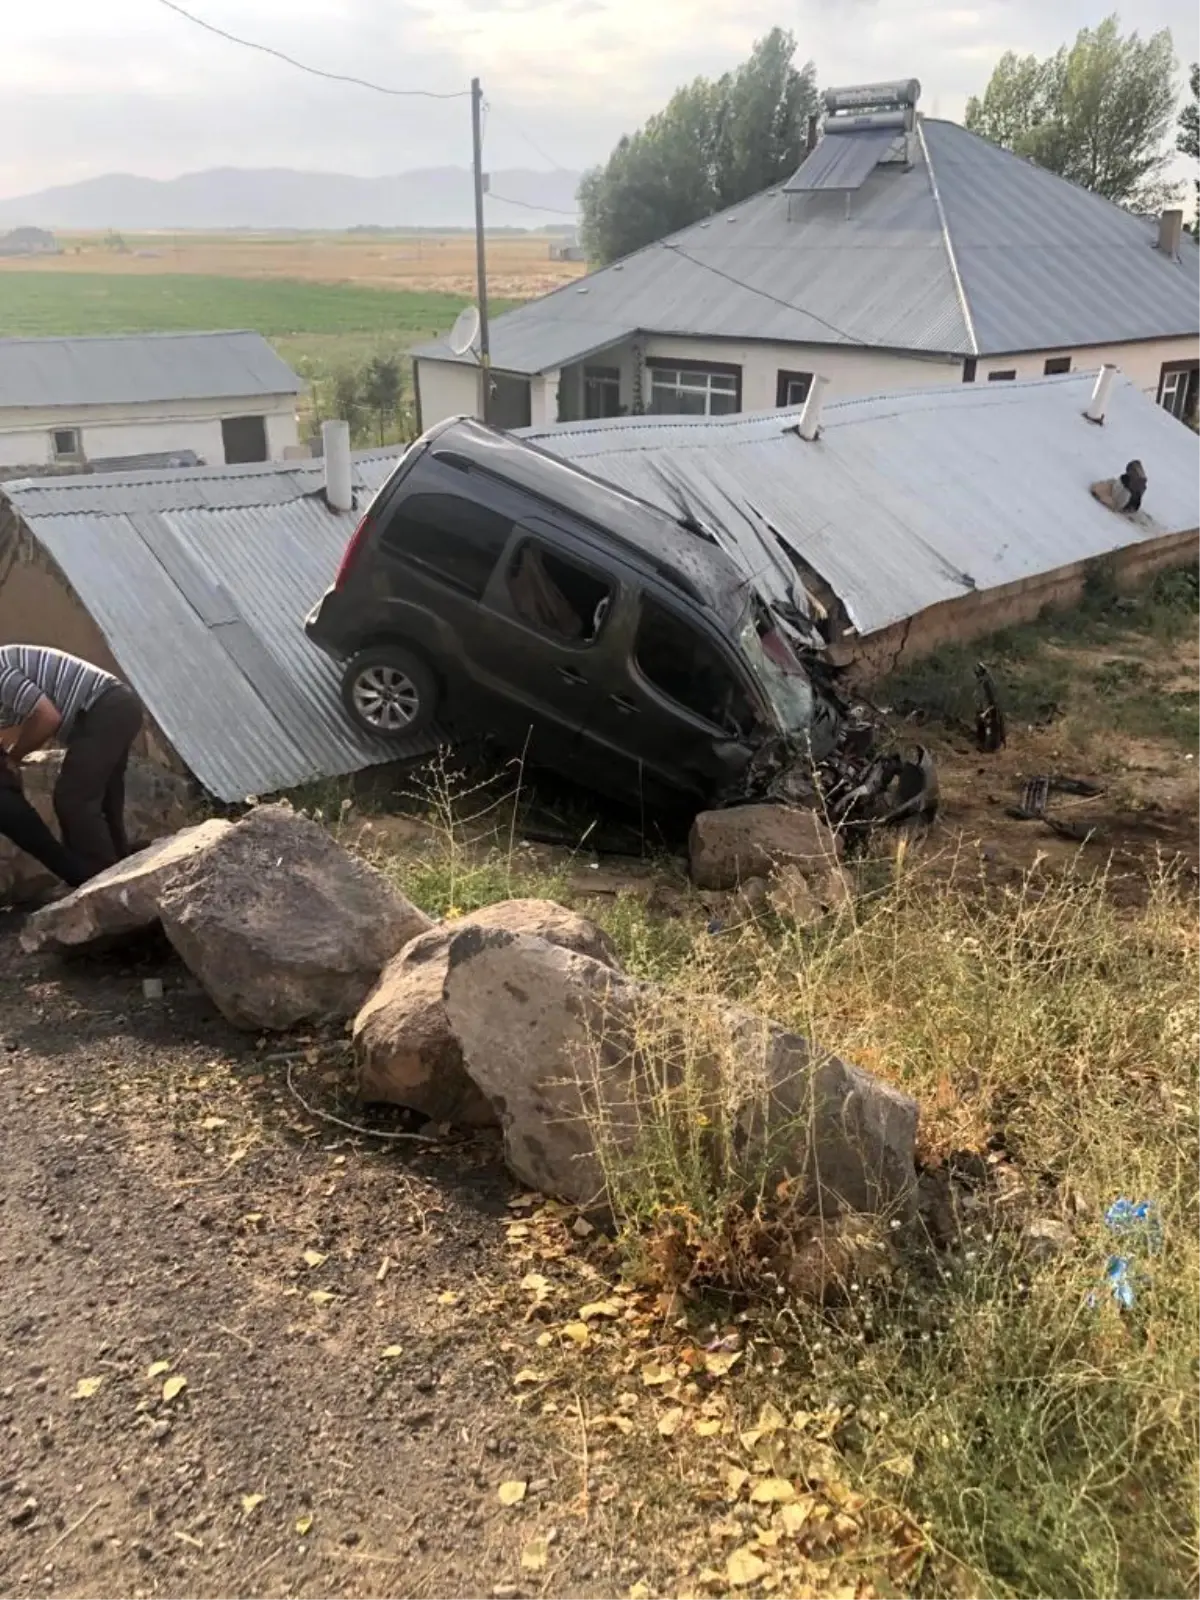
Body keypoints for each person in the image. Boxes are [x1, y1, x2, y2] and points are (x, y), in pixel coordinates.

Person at [0, 646, 144, 881]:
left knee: (73, 798)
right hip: (116, 705)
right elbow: (11, 729)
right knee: (106, 802)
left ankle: (103, 878)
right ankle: (125, 870)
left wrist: (14, 758)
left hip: (102, 708)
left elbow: (47, 718)